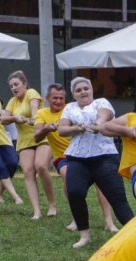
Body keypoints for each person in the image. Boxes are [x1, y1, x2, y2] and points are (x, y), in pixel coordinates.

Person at [58, 77, 134, 249]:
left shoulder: (101, 102)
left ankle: (134, 233)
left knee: (117, 197)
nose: (83, 92)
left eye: (86, 88)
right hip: (77, 158)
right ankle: (84, 235)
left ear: (91, 90)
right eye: (78, 90)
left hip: (104, 156)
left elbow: (104, 115)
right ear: (73, 94)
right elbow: (62, 129)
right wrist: (76, 128)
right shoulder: (69, 107)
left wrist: (97, 125)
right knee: (75, 193)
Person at [35, 83, 119, 234]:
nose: (59, 101)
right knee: (69, 176)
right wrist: (47, 128)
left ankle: (108, 220)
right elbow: (36, 137)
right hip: (63, 156)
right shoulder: (42, 113)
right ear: (48, 98)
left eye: (61, 98)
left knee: (102, 182)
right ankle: (77, 218)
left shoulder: (73, 108)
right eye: (55, 98)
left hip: (87, 154)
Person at [3, 70, 57, 220]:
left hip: (41, 135)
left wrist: (30, 118)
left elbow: (34, 112)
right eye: (11, 86)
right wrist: (14, 117)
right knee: (27, 171)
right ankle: (37, 210)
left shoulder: (31, 93)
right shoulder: (12, 101)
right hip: (24, 140)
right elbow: (3, 120)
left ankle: (52, 204)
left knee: (40, 166)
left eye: (16, 84)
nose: (14, 88)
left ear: (24, 84)